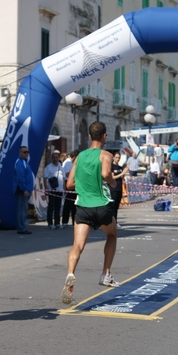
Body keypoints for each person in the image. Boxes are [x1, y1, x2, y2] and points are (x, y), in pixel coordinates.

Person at [61, 121, 119, 305]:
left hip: (83, 206)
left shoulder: (79, 157)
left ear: (89, 136)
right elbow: (106, 173)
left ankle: (70, 273)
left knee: (77, 245)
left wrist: (85, 185)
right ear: (104, 136)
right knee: (112, 235)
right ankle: (106, 274)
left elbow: (69, 184)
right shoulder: (106, 155)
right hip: (101, 204)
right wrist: (112, 182)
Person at [13, 146, 34, 234]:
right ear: (20, 153)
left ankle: (22, 227)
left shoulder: (25, 162)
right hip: (22, 190)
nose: (26, 154)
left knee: (23, 209)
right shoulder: (20, 163)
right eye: (24, 152)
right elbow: (20, 177)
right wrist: (24, 189)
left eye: (27, 152)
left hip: (25, 189)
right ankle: (21, 228)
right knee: (22, 209)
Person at [44, 151, 66, 229]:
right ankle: (50, 223)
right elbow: (45, 178)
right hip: (52, 190)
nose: (55, 159)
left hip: (60, 190)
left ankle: (57, 222)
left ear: (59, 158)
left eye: (57, 157)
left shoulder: (61, 167)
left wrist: (64, 188)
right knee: (51, 206)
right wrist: (46, 189)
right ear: (52, 158)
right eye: (54, 157)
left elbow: (63, 178)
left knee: (58, 206)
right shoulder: (48, 167)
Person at [110, 152, 128, 228]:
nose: (117, 159)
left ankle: (115, 221)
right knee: (112, 206)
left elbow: (122, 177)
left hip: (119, 188)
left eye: (119, 158)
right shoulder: (112, 167)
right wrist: (122, 173)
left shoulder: (120, 167)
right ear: (113, 158)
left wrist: (124, 173)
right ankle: (110, 222)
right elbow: (112, 177)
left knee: (117, 206)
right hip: (113, 188)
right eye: (116, 157)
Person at [62, 149, 79, 227]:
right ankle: (65, 222)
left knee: (75, 206)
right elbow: (67, 174)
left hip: (75, 186)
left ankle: (74, 221)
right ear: (75, 157)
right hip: (69, 186)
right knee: (67, 205)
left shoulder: (74, 163)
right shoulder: (68, 163)